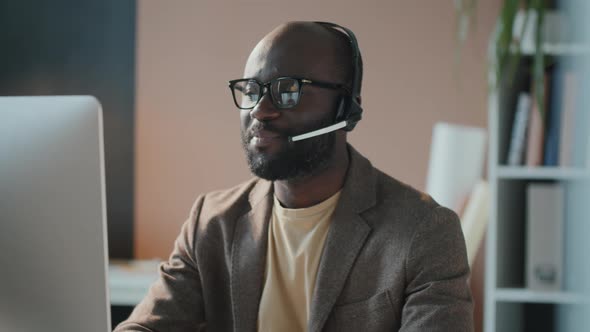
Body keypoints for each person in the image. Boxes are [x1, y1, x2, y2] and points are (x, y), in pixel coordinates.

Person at [115, 21, 473, 332]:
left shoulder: (424, 233)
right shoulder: (211, 222)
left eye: (287, 90)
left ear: (345, 107)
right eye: (251, 91)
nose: (260, 110)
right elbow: (148, 326)